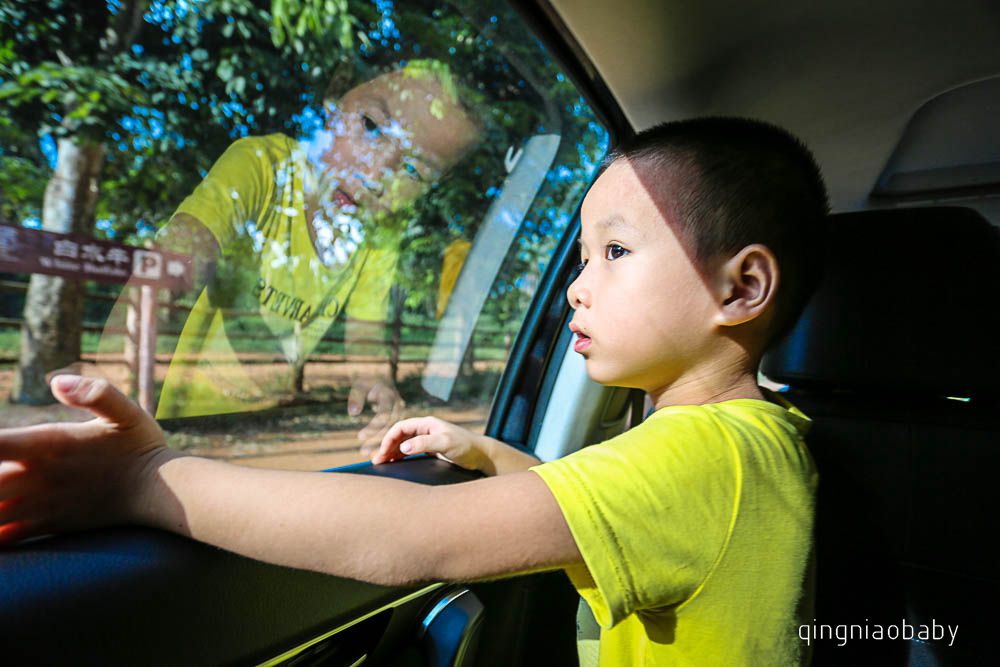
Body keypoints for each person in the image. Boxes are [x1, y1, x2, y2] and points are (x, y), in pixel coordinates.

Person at [0, 117, 827, 666]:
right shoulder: (760, 443)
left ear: (741, 287)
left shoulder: (707, 455)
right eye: (579, 257)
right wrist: (492, 453)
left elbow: (419, 537)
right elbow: (593, 509)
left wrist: (151, 477)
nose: (576, 287)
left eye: (613, 253)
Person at [102, 59, 481, 442]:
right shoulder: (261, 167)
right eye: (370, 127)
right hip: (174, 422)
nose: (377, 173)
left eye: (414, 170)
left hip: (265, 431)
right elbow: (177, 255)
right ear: (334, 97)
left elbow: (365, 333)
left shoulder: (380, 234)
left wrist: (375, 380)